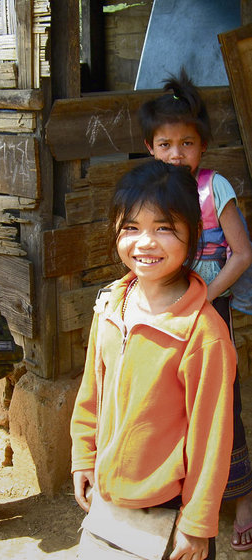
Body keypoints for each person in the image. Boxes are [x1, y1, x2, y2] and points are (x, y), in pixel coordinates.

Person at [71, 160, 236, 560]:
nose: (145, 242)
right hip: (109, 502)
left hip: (170, 511)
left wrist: (196, 525)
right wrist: (84, 456)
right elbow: (92, 391)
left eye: (163, 227)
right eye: (131, 227)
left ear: (193, 234)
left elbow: (211, 437)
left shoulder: (202, 333)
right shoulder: (112, 304)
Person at [138, 69, 252, 553]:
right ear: (150, 148)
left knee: (221, 398)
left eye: (186, 143)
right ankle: (186, 490)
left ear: (202, 146)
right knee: (175, 400)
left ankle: (244, 496)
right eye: (165, 144)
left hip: (208, 312)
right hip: (166, 311)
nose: (176, 154)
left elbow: (243, 253)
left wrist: (205, 297)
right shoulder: (156, 189)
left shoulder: (213, 187)